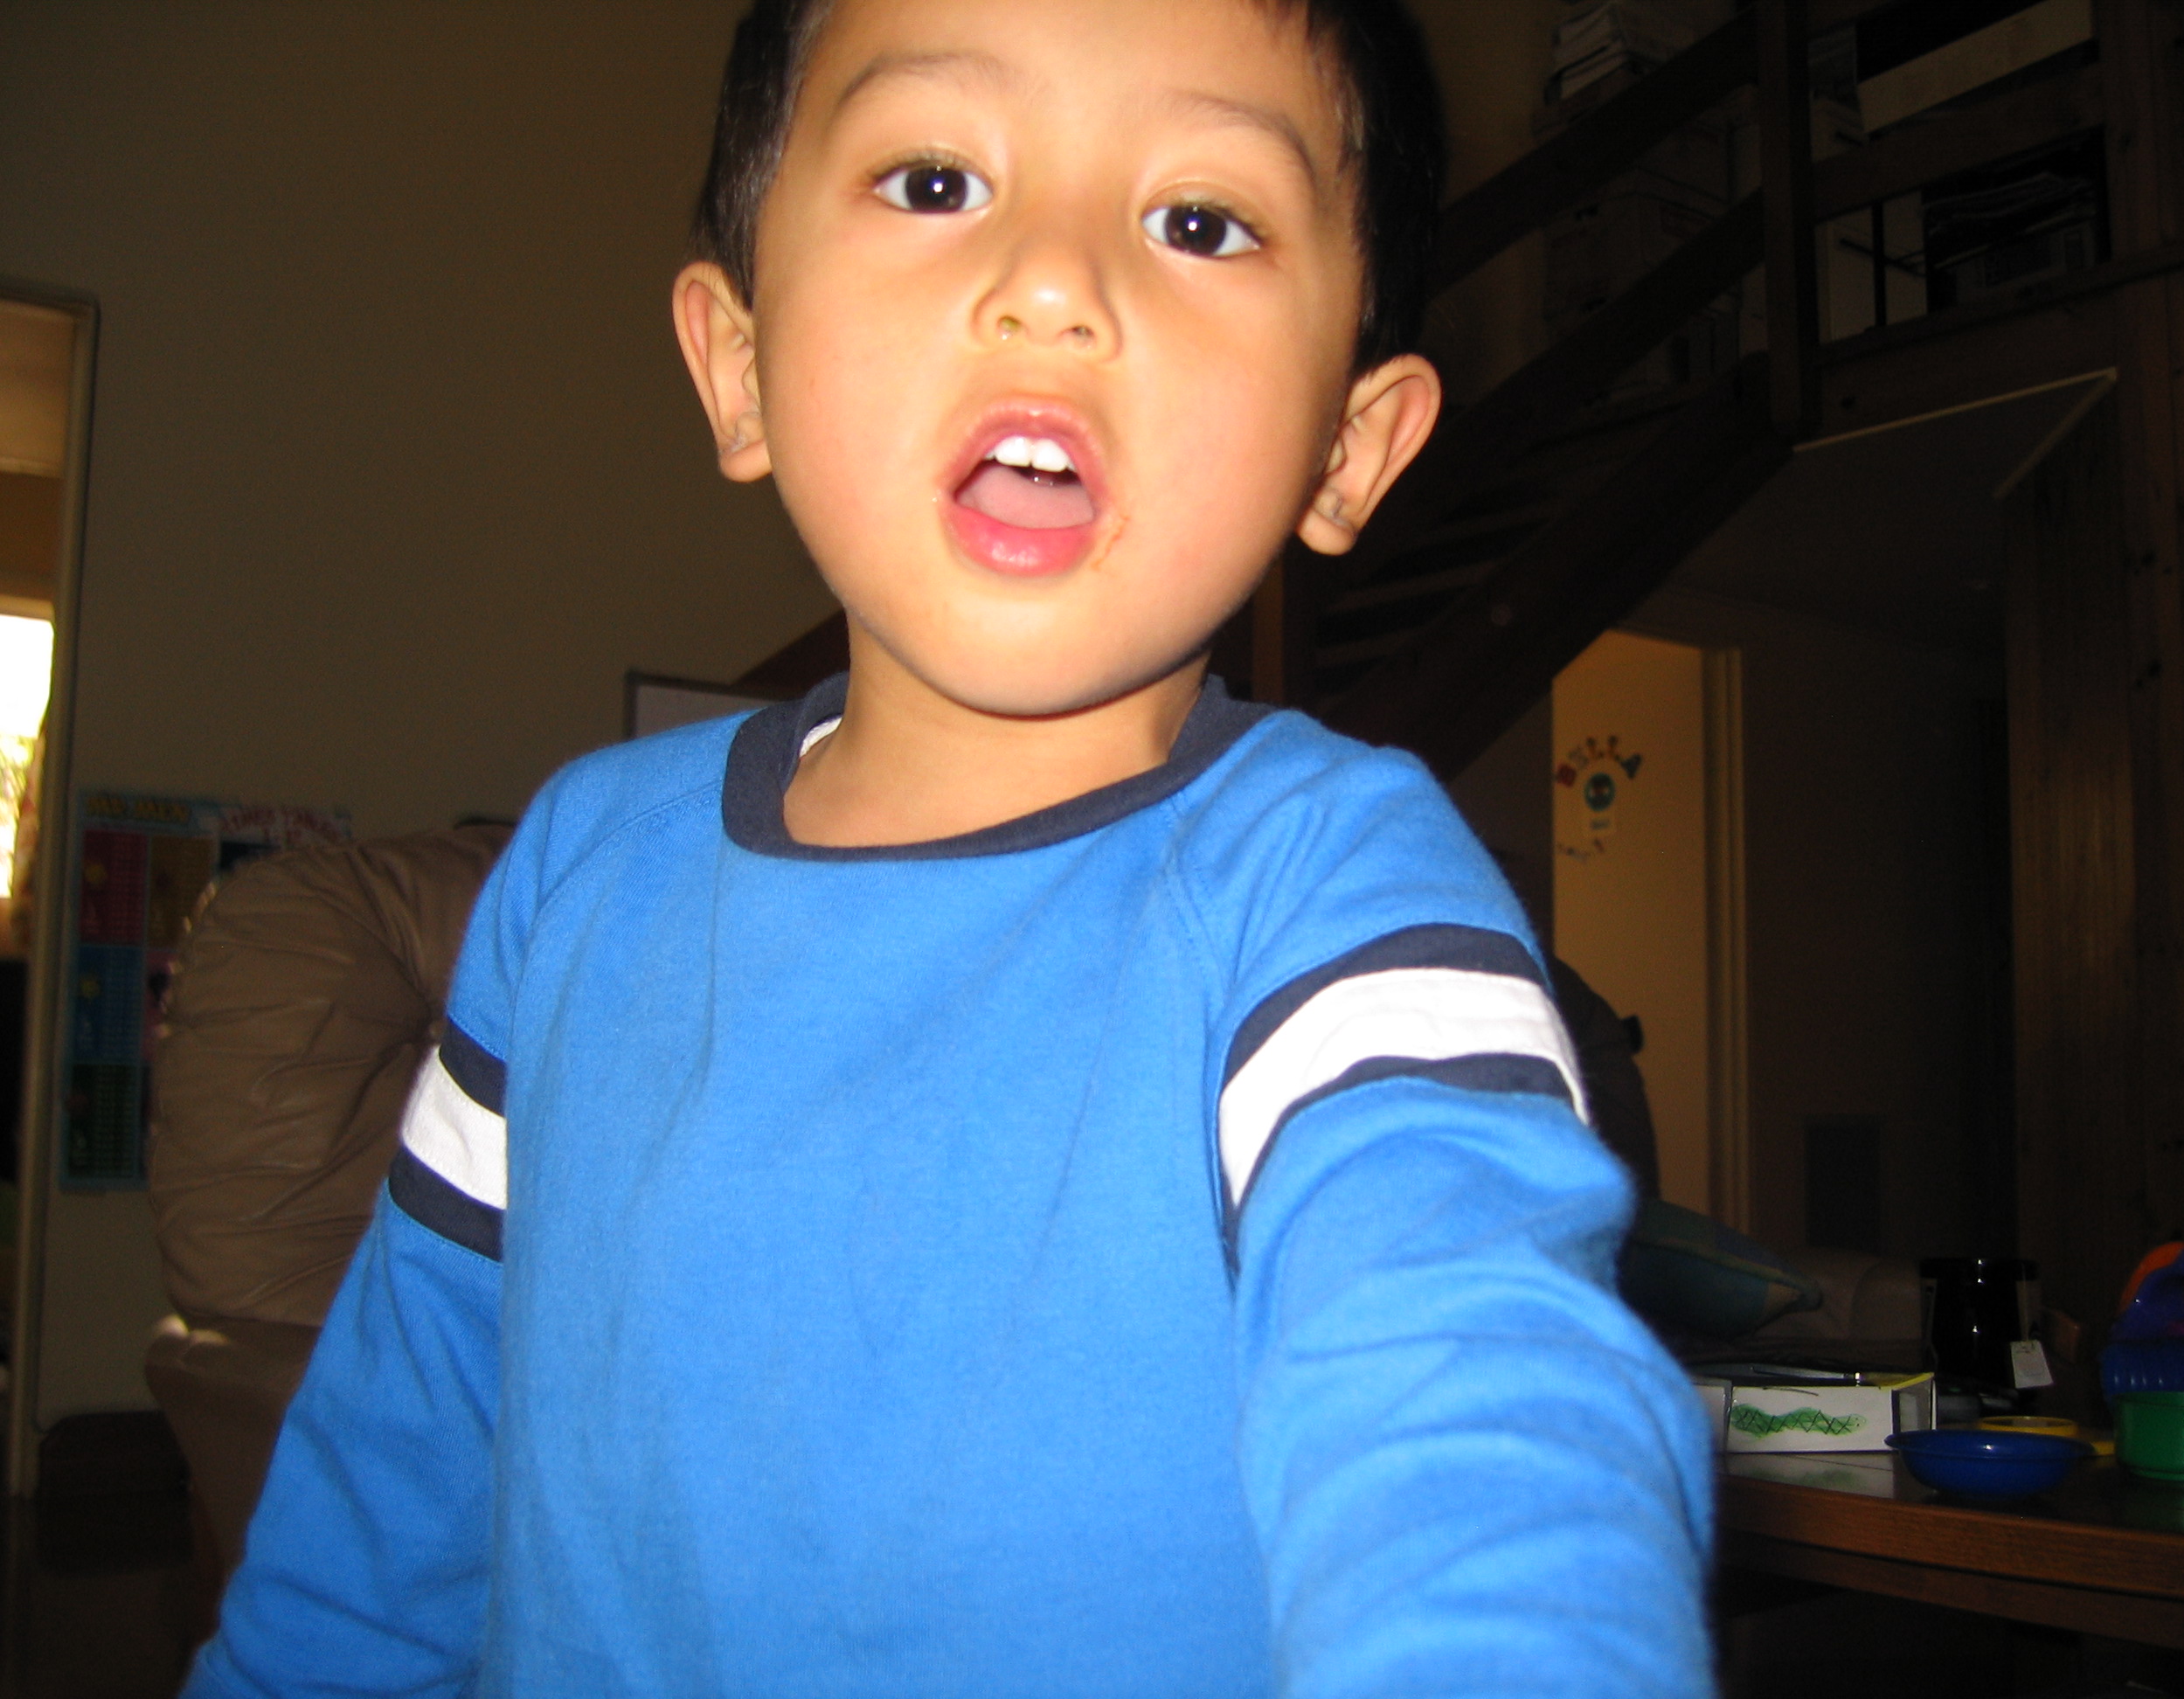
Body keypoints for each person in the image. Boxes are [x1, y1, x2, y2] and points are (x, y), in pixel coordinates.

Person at [186, 0, 1714, 1692]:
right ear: (741, 366)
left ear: (1345, 450)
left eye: (1200, 221)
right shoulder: (575, 883)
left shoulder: (1341, 899)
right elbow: (376, 1514)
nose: (1053, 283)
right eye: (934, 182)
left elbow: (1481, 1418)